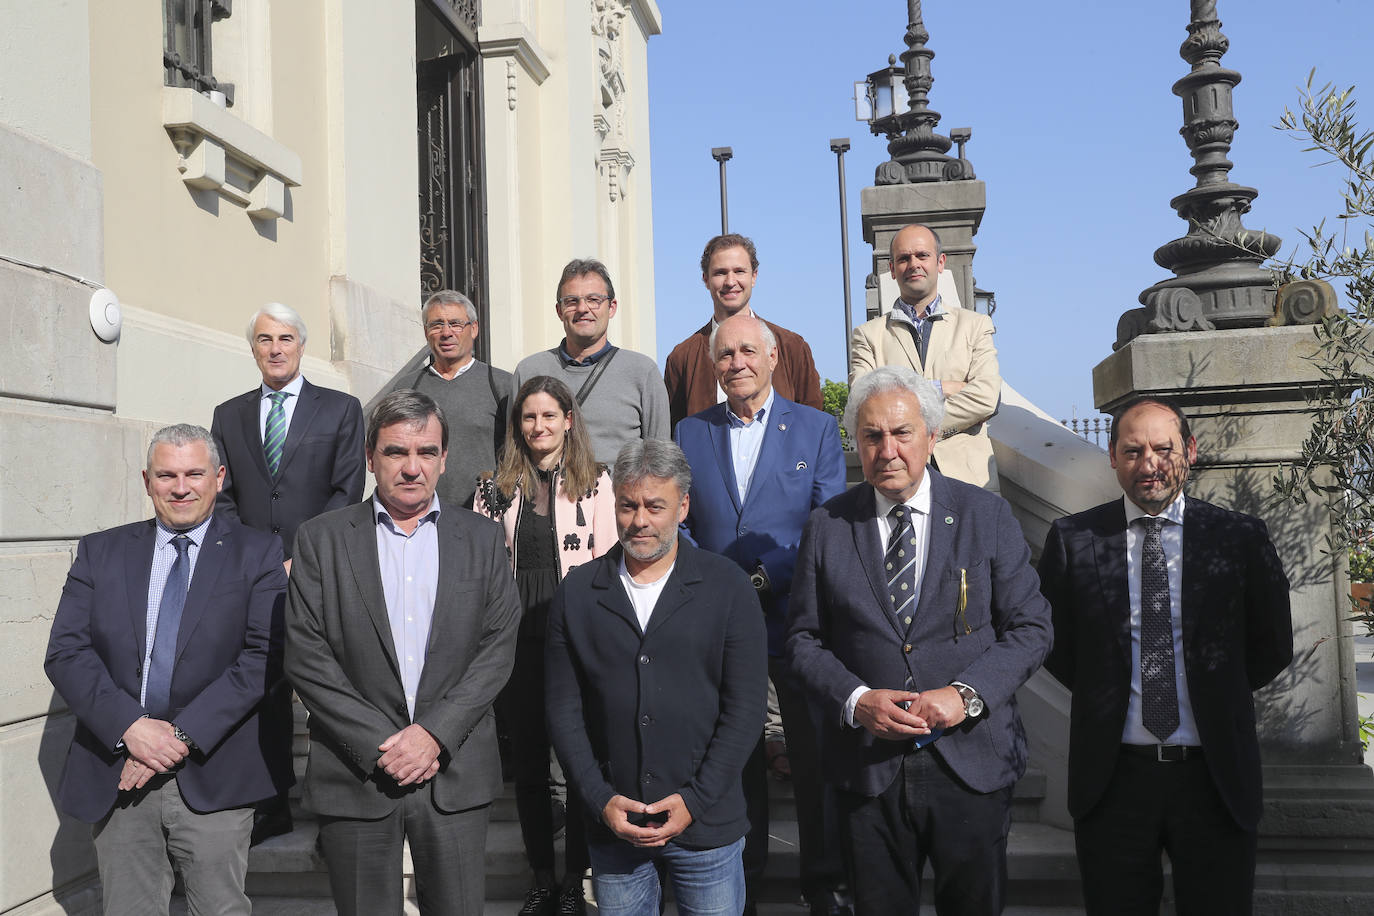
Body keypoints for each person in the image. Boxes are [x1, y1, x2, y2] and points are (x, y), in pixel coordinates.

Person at [786, 366, 1052, 915]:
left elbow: (1032, 627)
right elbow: (804, 641)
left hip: (971, 761)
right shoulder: (828, 526)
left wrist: (966, 694)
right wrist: (857, 701)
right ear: (856, 443)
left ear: (932, 437)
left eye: (902, 432)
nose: (887, 449)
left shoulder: (987, 515)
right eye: (872, 435)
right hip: (868, 770)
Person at [1038, 396, 1294, 915]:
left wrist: (1218, 691)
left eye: (1162, 448)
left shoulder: (1239, 538)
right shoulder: (1073, 539)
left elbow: (1273, 645)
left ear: (1189, 451)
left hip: (1214, 779)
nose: (1149, 464)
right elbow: (1054, 646)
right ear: (1112, 456)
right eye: (1132, 451)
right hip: (1114, 781)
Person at [284, 390, 521, 916]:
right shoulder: (321, 540)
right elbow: (306, 654)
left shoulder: (483, 539)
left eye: (426, 453)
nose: (412, 468)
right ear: (370, 458)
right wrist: (380, 742)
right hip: (355, 772)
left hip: (454, 773)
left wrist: (434, 733)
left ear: (444, 459)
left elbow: (498, 647)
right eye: (395, 452)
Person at [45, 424, 291, 916]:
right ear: (147, 481)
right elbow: (66, 652)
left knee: (219, 908)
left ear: (218, 477)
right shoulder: (101, 552)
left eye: (194, 473)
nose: (181, 487)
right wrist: (131, 729)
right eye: (167, 475)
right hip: (120, 774)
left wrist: (177, 735)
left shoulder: (258, 552)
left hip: (215, 771)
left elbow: (265, 657)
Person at [545, 439, 768, 915]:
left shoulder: (728, 587)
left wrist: (696, 799)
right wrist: (600, 799)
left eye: (655, 506)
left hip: (708, 827)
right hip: (616, 828)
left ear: (683, 506)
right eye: (628, 505)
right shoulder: (579, 593)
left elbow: (746, 710)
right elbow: (564, 710)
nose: (639, 520)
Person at [673, 313, 847, 915]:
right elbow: (682, 521)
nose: (737, 363)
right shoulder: (688, 432)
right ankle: (741, 876)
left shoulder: (819, 429)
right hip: (720, 620)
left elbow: (826, 522)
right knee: (734, 752)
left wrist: (764, 576)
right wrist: (724, 582)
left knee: (813, 751)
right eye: (725, 354)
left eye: (749, 351)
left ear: (774, 358)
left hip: (799, 615)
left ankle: (822, 878)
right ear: (714, 365)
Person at [210, 301, 366, 842]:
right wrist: (256, 558)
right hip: (254, 575)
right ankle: (273, 802)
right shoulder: (228, 415)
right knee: (264, 687)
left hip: (321, 569)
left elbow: (348, 490)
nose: (275, 349)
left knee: (330, 683)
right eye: (263, 340)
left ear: (301, 346)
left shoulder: (341, 409)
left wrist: (306, 552)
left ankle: (339, 802)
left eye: (284, 339)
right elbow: (222, 495)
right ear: (252, 348)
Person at [473, 375, 616, 916]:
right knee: (531, 766)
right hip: (518, 639)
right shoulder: (493, 487)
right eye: (529, 418)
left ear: (568, 421)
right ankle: (541, 878)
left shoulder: (599, 483)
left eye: (548, 416)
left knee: (580, 761)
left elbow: (611, 562)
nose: (538, 427)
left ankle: (576, 880)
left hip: (579, 635)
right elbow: (485, 567)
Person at [848, 225, 1001, 489]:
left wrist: (910, 421)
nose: (913, 264)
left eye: (922, 255)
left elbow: (986, 396)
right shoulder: (868, 336)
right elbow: (863, 401)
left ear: (940, 262)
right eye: (904, 258)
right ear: (892, 269)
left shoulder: (975, 325)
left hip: (967, 479)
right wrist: (946, 388)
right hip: (894, 478)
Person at [512, 258, 670, 464]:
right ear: (559, 311)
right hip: (542, 495)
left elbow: (660, 460)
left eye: (594, 299)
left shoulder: (642, 372)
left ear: (612, 307)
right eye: (571, 301)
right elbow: (514, 451)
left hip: (617, 495)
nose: (582, 308)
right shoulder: (529, 371)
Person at [663, 233, 823, 430]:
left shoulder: (792, 347)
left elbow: (813, 426)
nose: (730, 281)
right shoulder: (683, 358)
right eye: (720, 273)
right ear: (706, 279)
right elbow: (674, 436)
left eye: (739, 271)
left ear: (754, 276)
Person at [380, 289, 512, 510]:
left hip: (485, 515)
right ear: (426, 332)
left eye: (456, 324)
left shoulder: (501, 385)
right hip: (420, 514)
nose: (446, 332)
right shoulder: (407, 388)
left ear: (474, 329)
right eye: (437, 325)